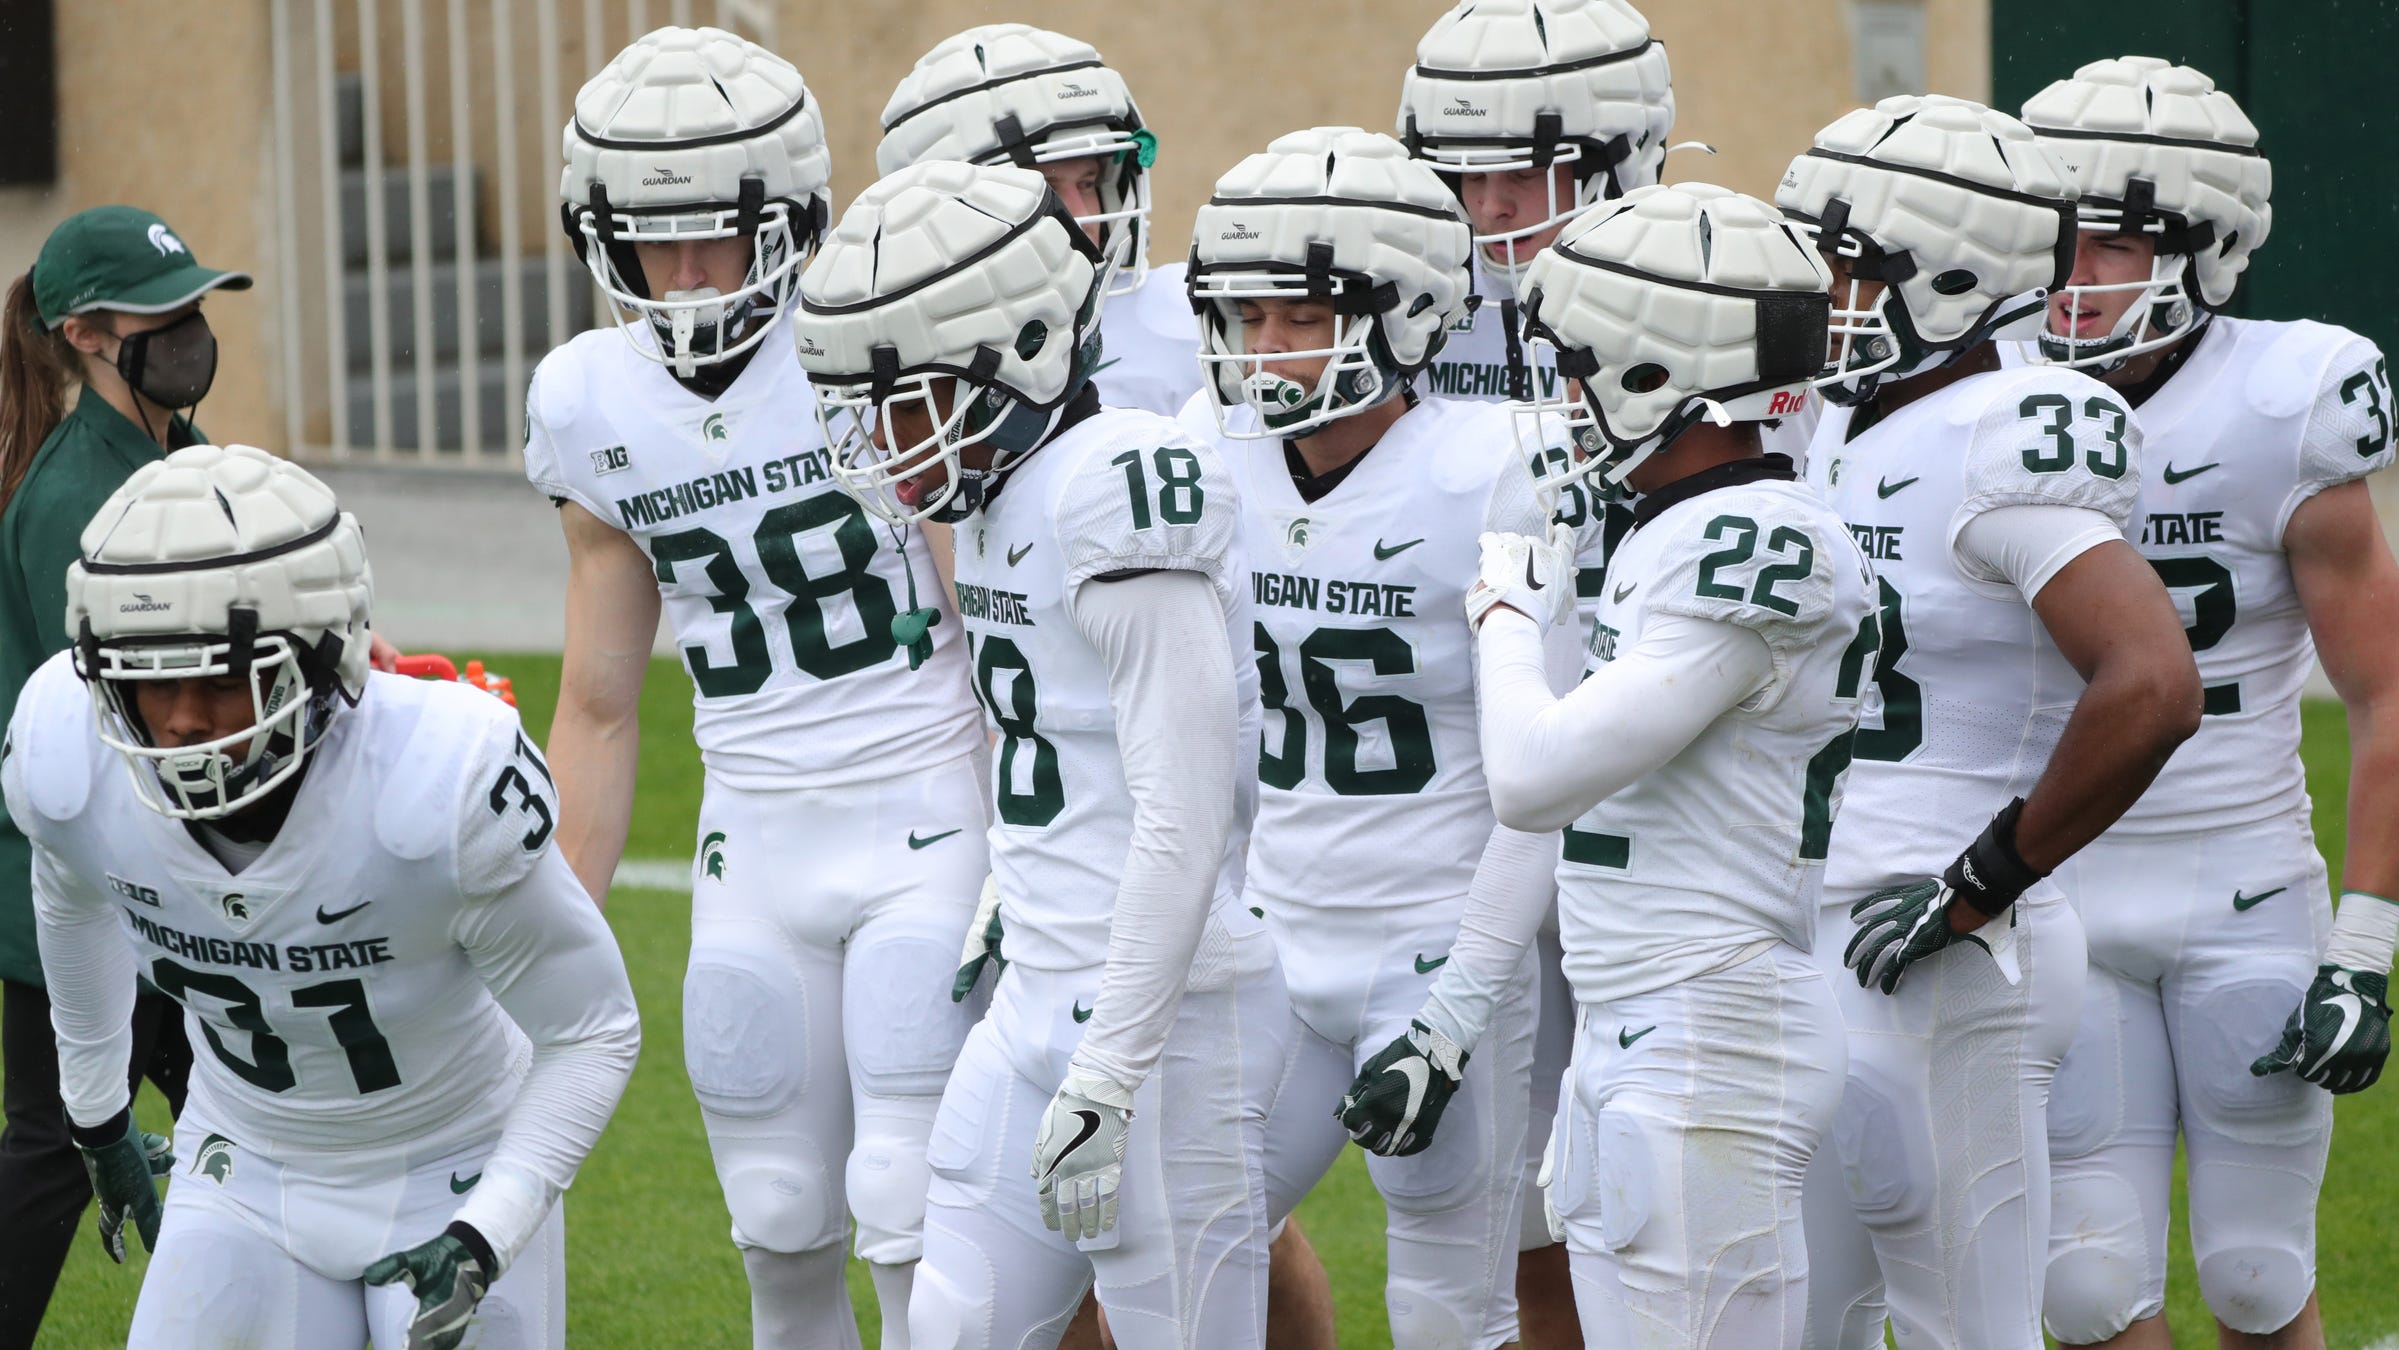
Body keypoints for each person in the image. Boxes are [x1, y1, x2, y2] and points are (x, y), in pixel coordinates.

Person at [530, 26, 988, 1350]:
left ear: (786, 219)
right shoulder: (587, 400)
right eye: (648, 238)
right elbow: (602, 702)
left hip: (925, 805)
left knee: (907, 1203)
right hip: (753, 829)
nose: (681, 273)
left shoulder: (874, 336)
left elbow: (988, 624)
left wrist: (1037, 843)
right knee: (778, 1220)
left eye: (714, 235)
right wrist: (556, 931)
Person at [795, 159, 1285, 1349]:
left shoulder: (1117, 482)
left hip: (1168, 1021)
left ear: (1013, 351)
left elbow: (1187, 810)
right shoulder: (1004, 491)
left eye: (906, 397)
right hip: (1035, 998)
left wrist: (1114, 1068)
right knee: (952, 1326)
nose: (882, 435)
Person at [1378, 180, 1872, 1348]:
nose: (1558, 397)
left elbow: (1535, 780)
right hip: (1638, 1017)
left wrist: (1503, 610)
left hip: (1711, 1022)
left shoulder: (1758, 537)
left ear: (1661, 374)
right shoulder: (1673, 523)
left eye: (1577, 364)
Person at [11, 443, 640, 1350]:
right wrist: (100, 1118)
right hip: (247, 1161)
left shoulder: (436, 777)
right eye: (148, 677)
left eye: (223, 677)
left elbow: (593, 1029)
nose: (182, 717)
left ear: (318, 659)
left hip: (453, 1162)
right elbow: (71, 903)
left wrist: (487, 1231)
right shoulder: (66, 751)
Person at [1774, 95, 2204, 1349]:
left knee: (1975, 1328)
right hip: (1821, 937)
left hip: (1955, 953)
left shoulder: (2005, 432)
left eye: (1849, 266)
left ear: (1958, 274)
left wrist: (1980, 878)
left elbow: (2150, 681)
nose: (1822, 295)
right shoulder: (1838, 420)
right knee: (1807, 1321)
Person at [2017, 57, 2399, 1350]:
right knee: (2077, 1286)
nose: (2070, 271)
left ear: (2205, 249)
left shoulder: (2283, 399)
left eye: (2108, 243)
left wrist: (2361, 945)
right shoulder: (1983, 405)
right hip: (2052, 886)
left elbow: (2384, 686)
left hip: (2237, 887)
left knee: (2249, 1271)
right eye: (2052, 235)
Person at [1176, 124, 1545, 1350]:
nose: (1266, 353)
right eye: (1247, 318)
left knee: (1452, 1317)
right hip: (1267, 938)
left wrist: (1454, 1011)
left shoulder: (1496, 468)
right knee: (1164, 1264)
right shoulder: (1201, 450)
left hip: (1436, 945)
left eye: (1301, 317)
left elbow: (1549, 785)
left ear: (1409, 310)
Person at [1395, 9, 1676, 1339]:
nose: (1485, 207)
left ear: (1622, 158)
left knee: (1681, 1214)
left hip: (1674, 808)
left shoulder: (1707, 286)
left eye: (1525, 169)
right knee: (1521, 1216)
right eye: (1457, 172)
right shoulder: (1395, 305)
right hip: (1481, 792)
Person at [0, 203, 235, 1348]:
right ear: (89, 334)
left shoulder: (177, 455)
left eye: (194, 307)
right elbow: (96, 736)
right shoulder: (71, 501)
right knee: (55, 1151)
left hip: (156, 876)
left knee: (243, 1121)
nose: (190, 331)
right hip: (78, 893)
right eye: (165, 315)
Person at [877, 23, 1202, 419]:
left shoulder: (1186, 324)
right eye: (1045, 190)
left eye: (1088, 183)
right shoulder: (899, 356)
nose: (1083, 216)